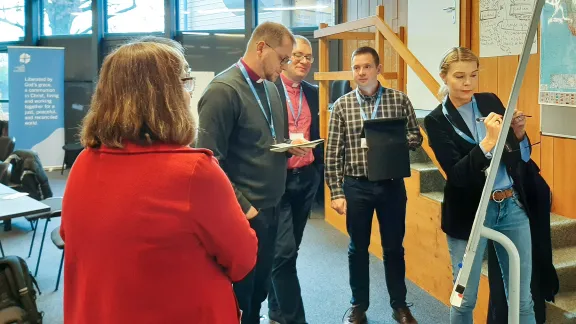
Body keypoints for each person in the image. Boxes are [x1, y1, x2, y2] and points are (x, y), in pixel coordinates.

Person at [60, 42, 258, 324]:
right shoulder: (194, 172)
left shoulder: (84, 163)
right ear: (167, 96)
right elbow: (242, 259)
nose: (189, 95)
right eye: (185, 82)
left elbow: (75, 241)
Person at [196, 22, 311, 324]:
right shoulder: (223, 91)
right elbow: (208, 162)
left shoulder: (272, 88)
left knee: (259, 290)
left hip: (273, 205)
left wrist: (289, 145)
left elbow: (269, 139)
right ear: (261, 47)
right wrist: (245, 208)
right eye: (284, 59)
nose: (286, 66)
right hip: (244, 213)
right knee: (241, 295)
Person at [423, 47, 536, 324]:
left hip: (510, 206)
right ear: (444, 77)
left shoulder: (489, 101)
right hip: (469, 212)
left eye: (473, 75)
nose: (468, 83)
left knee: (522, 299)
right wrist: (487, 142)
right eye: (459, 76)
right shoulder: (436, 120)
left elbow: (518, 157)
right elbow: (457, 176)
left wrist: (519, 134)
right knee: (464, 298)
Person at [325, 46, 422, 324]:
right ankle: (358, 306)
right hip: (357, 186)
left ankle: (400, 305)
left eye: (367, 66)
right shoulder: (342, 105)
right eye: (356, 67)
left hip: (391, 185)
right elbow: (333, 152)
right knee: (358, 248)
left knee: (394, 248)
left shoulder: (399, 100)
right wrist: (337, 192)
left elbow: (415, 136)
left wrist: (394, 141)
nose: (361, 72)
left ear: (378, 69)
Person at [266, 35, 322, 324]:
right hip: (279, 180)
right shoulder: (268, 89)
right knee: (283, 253)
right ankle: (293, 319)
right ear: (286, 57)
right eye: (298, 55)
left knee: (289, 251)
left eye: (308, 57)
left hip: (306, 179)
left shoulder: (313, 92)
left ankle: (275, 311)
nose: (303, 62)